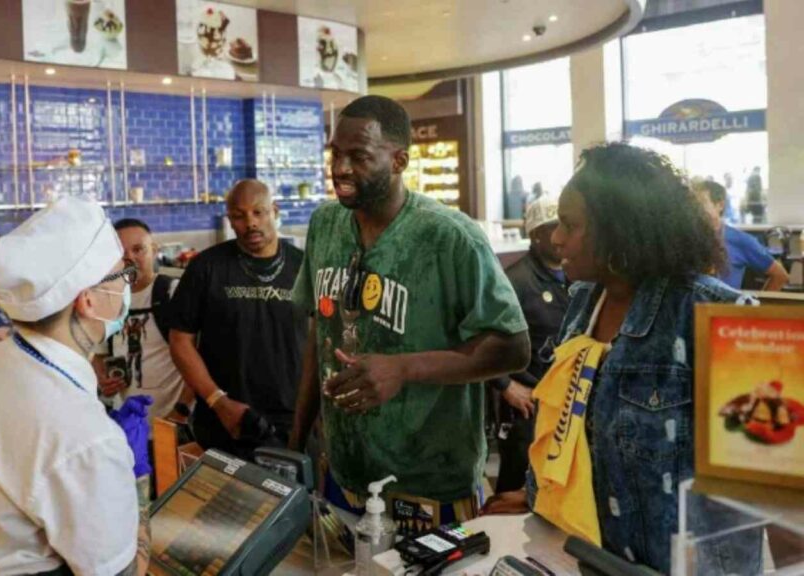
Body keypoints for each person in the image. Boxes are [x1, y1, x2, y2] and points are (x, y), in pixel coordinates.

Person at [482, 143, 762, 574]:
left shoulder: (717, 318)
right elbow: (574, 422)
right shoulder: (582, 303)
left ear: (621, 230)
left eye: (571, 225)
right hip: (589, 552)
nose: (556, 237)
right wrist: (539, 492)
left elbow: (763, 482)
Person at [288, 95, 530, 522]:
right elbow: (319, 335)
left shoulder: (449, 236)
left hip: (428, 485)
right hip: (343, 472)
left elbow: (512, 347)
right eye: (336, 153)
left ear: (399, 160)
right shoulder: (325, 224)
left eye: (359, 156)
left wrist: (404, 368)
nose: (340, 169)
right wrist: (296, 445)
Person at [0, 197, 151, 576]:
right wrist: (137, 494)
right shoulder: (84, 437)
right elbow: (118, 570)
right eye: (120, 277)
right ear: (88, 301)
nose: (126, 286)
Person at [169, 179, 307, 460]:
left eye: (258, 212)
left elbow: (322, 339)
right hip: (223, 421)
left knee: (296, 501)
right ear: (230, 219)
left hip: (293, 422)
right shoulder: (206, 267)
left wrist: (316, 414)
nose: (250, 223)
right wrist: (217, 401)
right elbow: (180, 341)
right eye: (239, 216)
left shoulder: (304, 266)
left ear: (275, 211)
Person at [488, 195, 569, 493]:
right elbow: (483, 336)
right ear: (535, 236)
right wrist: (505, 385)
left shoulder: (577, 275)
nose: (562, 235)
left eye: (566, 226)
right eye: (553, 228)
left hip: (567, 403)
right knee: (516, 489)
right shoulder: (515, 281)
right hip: (528, 409)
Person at [96, 218, 194, 420]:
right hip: (126, 421)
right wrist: (102, 378)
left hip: (172, 421)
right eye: (122, 254)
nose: (130, 259)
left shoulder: (174, 292)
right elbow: (98, 353)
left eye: (138, 249)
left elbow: (202, 357)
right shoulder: (108, 299)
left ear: (154, 249)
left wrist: (181, 410)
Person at [694, 180, 789, 291]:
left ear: (719, 205)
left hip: (723, 306)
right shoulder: (688, 240)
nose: (695, 209)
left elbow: (780, 276)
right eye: (692, 204)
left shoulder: (740, 240)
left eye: (701, 203)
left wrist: (759, 306)